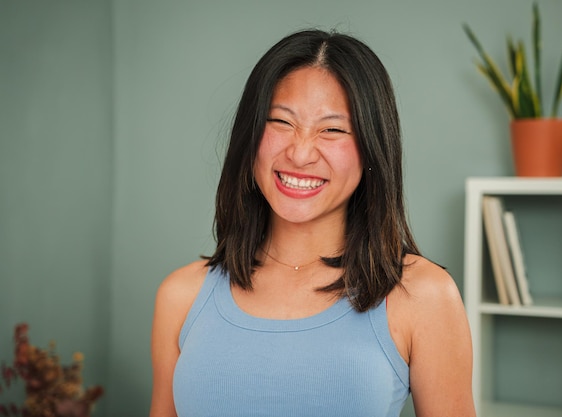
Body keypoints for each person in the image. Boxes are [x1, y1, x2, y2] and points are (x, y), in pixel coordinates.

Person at [150, 29, 475, 417]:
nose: (300, 153)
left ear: (372, 147)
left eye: (333, 129)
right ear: (249, 136)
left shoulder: (423, 295)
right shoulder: (181, 295)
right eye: (280, 122)